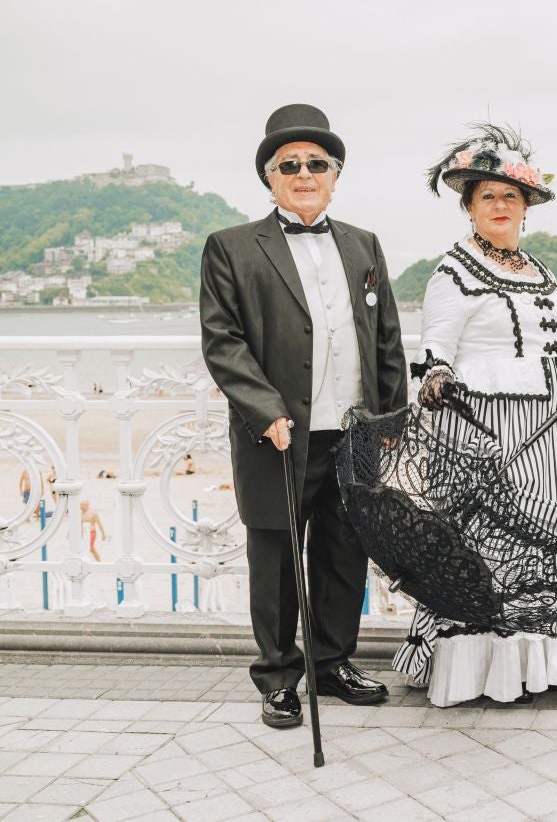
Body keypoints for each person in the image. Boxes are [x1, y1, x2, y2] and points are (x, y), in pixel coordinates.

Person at [394, 124, 557, 706]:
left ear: (526, 206)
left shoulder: (540, 272)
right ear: (469, 207)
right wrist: (436, 377)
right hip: (483, 429)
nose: (500, 206)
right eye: (488, 196)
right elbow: (437, 345)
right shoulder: (453, 272)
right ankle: (503, 668)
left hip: (550, 425)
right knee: (494, 539)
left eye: (511, 196)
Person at [199, 103, 407, 729]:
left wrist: (389, 419)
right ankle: (279, 675)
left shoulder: (364, 244)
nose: (304, 172)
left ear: (336, 174)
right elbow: (223, 341)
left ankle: (333, 662)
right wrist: (265, 410)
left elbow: (386, 338)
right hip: (278, 434)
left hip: (352, 431)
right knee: (278, 556)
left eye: (317, 162)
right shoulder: (231, 248)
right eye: (288, 164)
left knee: (344, 552)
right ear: (269, 177)